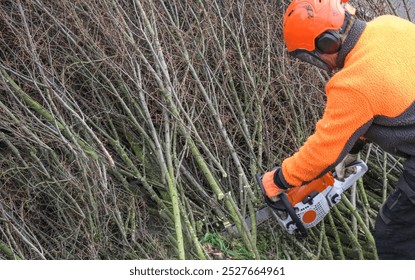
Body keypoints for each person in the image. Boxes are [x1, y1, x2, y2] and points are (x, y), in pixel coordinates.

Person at [261, 0, 415, 259]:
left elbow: (324, 150)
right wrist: (353, 148)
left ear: (326, 43)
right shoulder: (389, 25)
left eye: (310, 56)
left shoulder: (352, 83)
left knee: (394, 238)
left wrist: (278, 179)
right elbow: (393, 95)